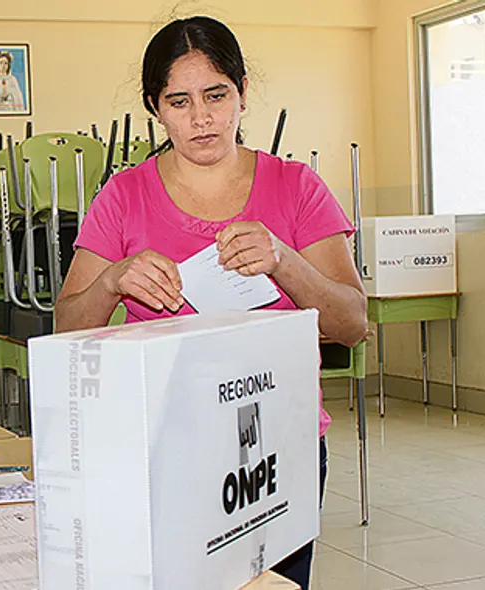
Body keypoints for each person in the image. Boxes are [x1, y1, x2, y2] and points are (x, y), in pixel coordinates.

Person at [54, 16, 366, 589]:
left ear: (243, 93)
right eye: (179, 101)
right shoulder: (123, 196)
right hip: (164, 447)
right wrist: (112, 282)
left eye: (216, 95)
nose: (201, 118)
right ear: (155, 107)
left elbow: (351, 323)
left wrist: (285, 262)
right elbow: (65, 328)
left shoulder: (295, 187)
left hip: (276, 447)